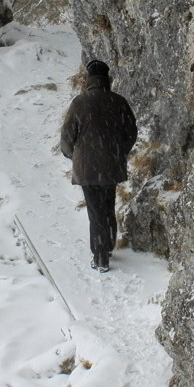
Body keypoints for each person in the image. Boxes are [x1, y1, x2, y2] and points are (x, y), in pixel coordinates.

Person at [60, 59, 137, 273]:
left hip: (87, 168)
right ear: (107, 79)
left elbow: (67, 136)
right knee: (108, 206)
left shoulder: (80, 103)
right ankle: (108, 246)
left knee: (95, 210)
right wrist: (119, 152)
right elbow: (131, 132)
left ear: (89, 80)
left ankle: (100, 256)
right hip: (111, 165)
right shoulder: (118, 101)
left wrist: (72, 155)